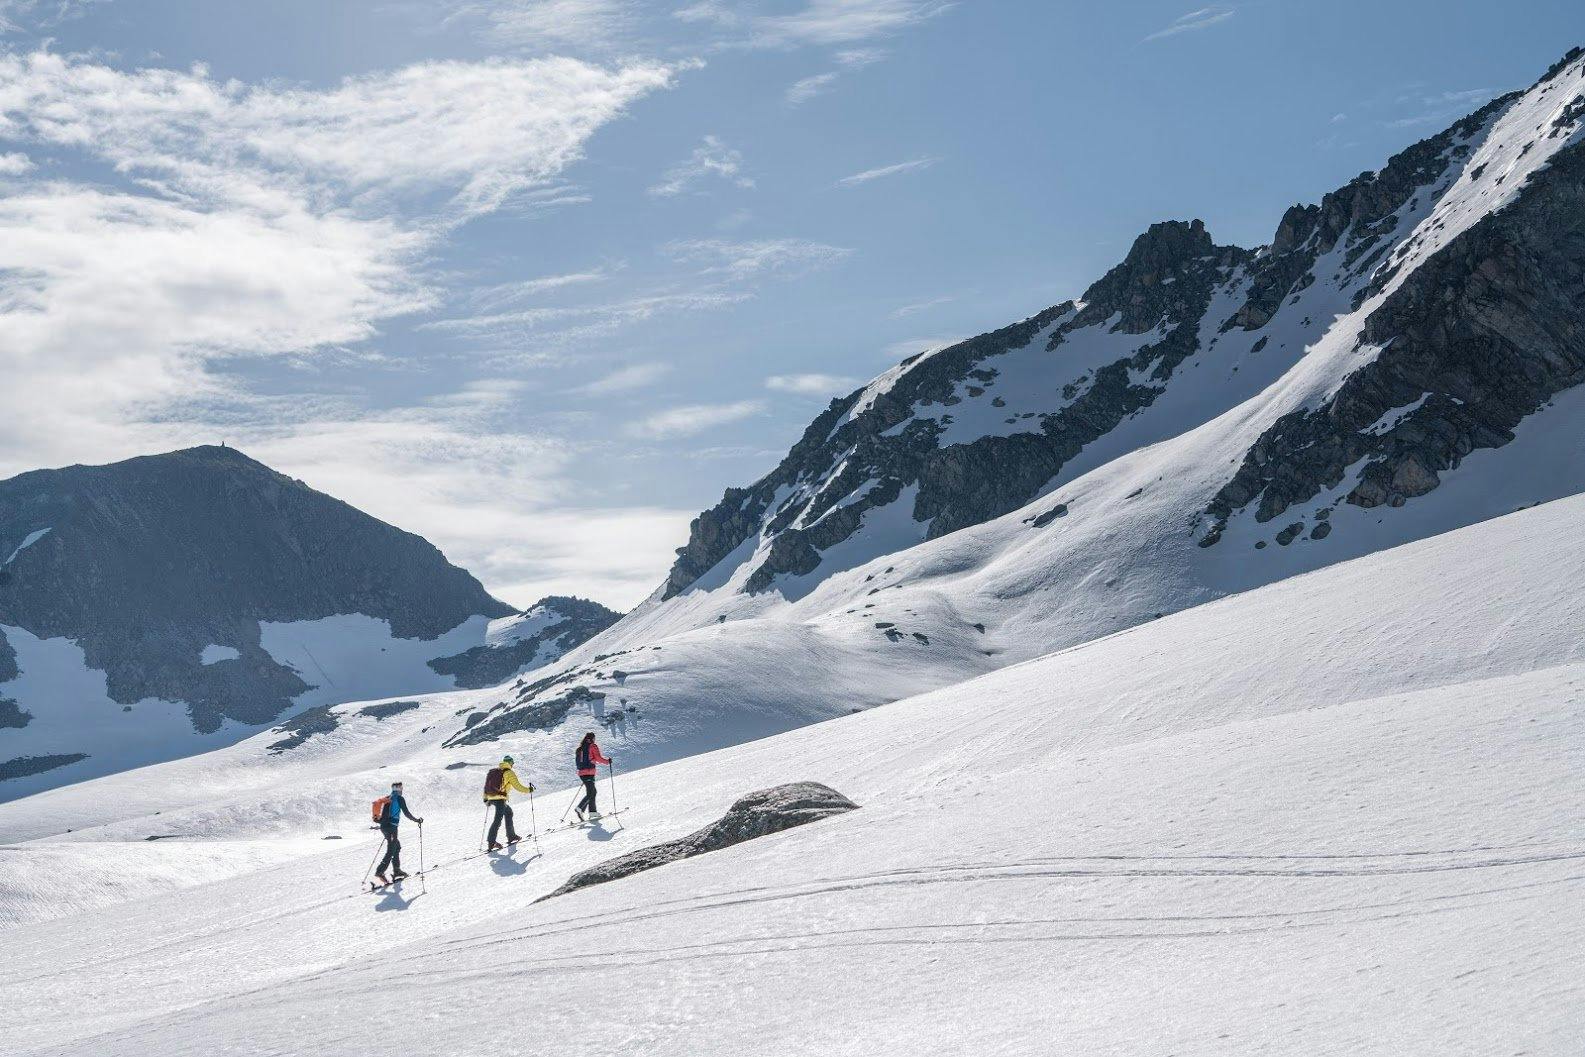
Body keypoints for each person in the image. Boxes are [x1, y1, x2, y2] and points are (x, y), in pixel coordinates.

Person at [483, 754, 534, 851]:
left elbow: (486, 786)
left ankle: (511, 836)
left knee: (508, 812)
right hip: (500, 799)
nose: (513, 765)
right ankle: (492, 841)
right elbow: (518, 786)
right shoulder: (509, 773)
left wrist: (486, 798)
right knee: (497, 820)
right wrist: (529, 790)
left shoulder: (495, 772)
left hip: (491, 798)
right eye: (512, 763)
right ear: (510, 763)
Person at [376, 781, 422, 884]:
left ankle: (397, 870)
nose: (402, 790)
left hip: (385, 827)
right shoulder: (399, 798)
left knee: (396, 846)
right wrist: (417, 820)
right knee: (391, 849)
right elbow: (406, 813)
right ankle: (380, 871)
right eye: (401, 788)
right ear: (399, 788)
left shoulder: (388, 798)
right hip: (391, 828)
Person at [574, 732, 612, 821]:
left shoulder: (580, 749)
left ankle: (592, 812)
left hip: (582, 773)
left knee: (592, 792)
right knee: (591, 793)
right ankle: (580, 808)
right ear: (592, 739)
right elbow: (598, 758)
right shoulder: (592, 746)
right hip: (589, 772)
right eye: (594, 738)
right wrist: (607, 761)